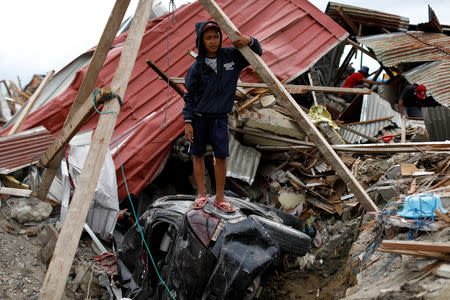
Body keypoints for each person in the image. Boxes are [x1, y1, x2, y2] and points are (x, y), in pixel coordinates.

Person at [182, 21, 262, 213]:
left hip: (220, 118)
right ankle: (201, 194)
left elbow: (257, 53)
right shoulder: (196, 68)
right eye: (208, 38)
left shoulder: (231, 57)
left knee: (222, 156)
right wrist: (188, 121)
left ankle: (220, 198)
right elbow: (189, 96)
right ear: (201, 40)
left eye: (216, 37)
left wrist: (250, 40)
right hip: (199, 118)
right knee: (197, 154)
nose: (213, 41)